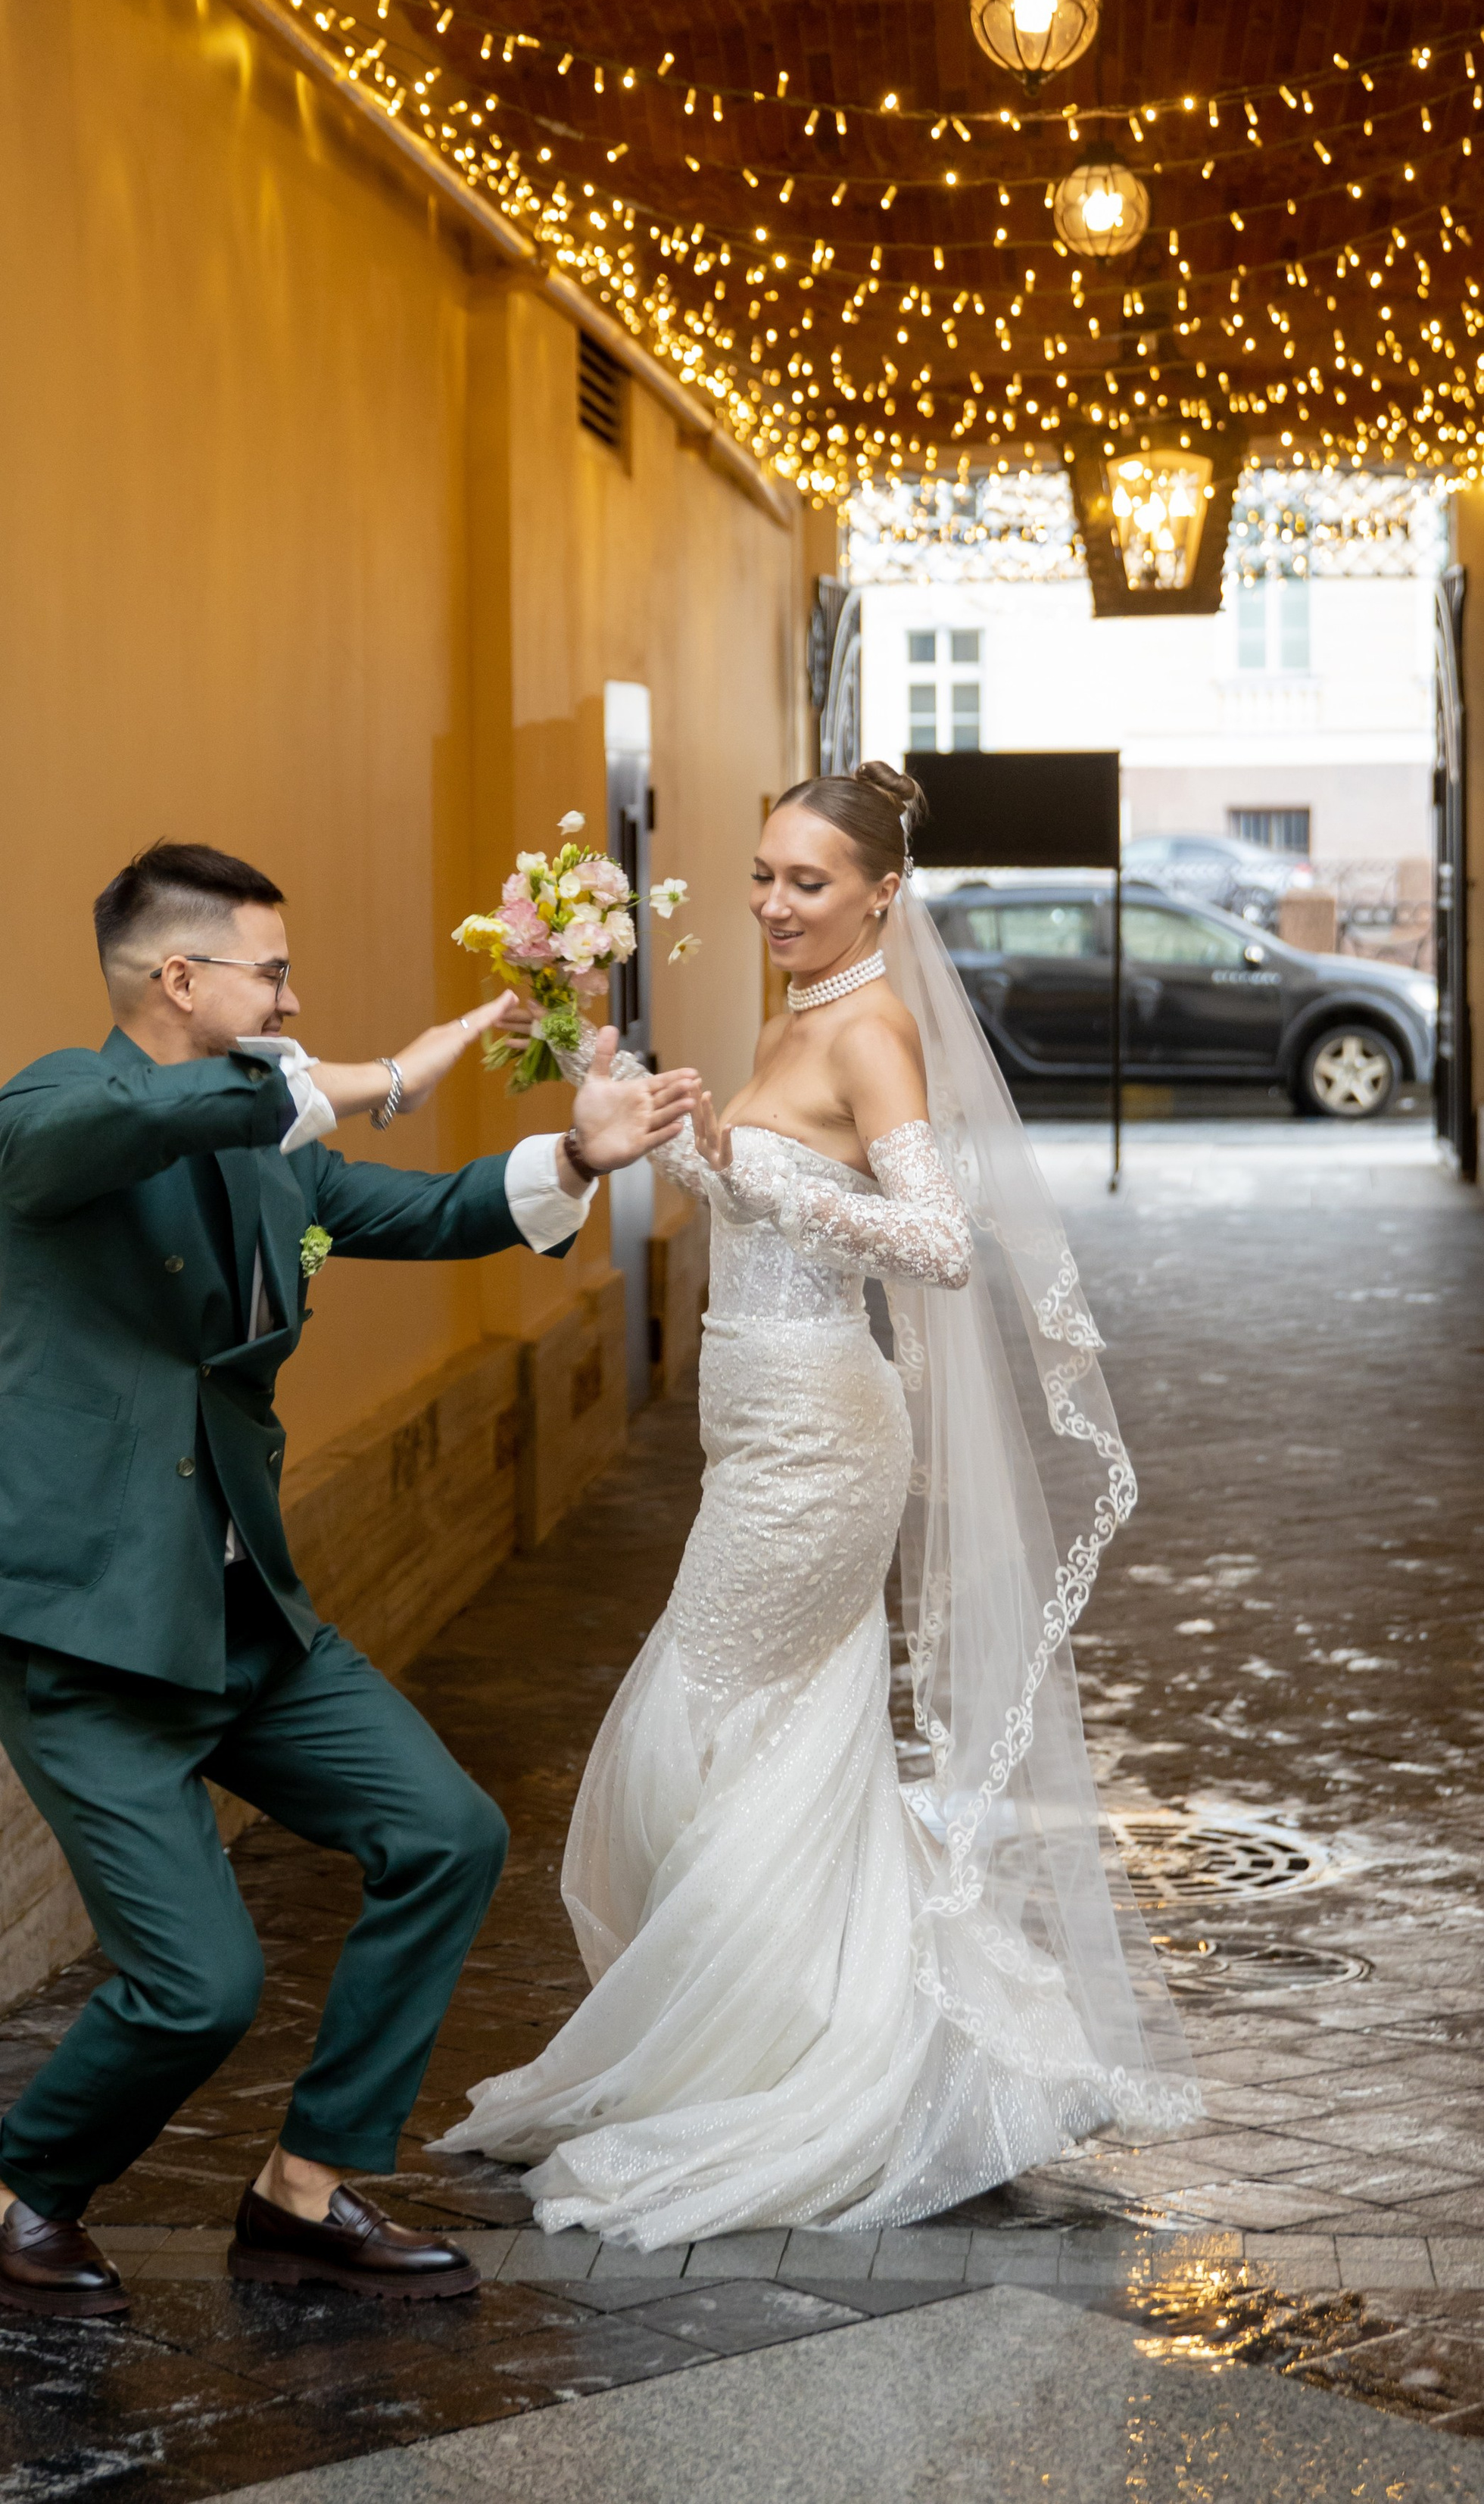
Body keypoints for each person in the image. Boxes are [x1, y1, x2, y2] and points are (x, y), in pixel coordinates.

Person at [0, 840, 700, 2315]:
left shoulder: (267, 1146)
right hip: (84, 1632)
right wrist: (369, 1073)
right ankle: (15, 2189)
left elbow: (412, 1213)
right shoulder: (46, 1109)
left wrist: (582, 1156)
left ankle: (305, 2186)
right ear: (179, 978)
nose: (293, 995)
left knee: (447, 1834)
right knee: (197, 1985)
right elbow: (122, 1127)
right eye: (270, 971)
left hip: (242, 1617)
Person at [439, 767, 1199, 2248]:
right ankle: (816, 2028)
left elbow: (933, 1242)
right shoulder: (791, 1013)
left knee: (698, 1720)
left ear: (878, 897)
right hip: (752, 1418)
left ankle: (790, 2059)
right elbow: (748, 1193)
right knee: (763, 1735)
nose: (770, 903)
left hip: (818, 1439)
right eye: (760, 874)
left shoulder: (871, 1027)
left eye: (804, 882)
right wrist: (662, 1123)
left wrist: (763, 1185)